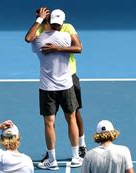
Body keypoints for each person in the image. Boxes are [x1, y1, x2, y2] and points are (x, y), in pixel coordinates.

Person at [25, 7, 87, 159]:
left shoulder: (68, 28)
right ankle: (53, 151)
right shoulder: (42, 29)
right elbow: (30, 38)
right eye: (53, 23)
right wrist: (39, 20)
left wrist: (56, 48)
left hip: (69, 75)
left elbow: (79, 48)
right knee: (61, 117)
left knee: (75, 113)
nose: (56, 26)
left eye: (58, 24)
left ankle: (82, 145)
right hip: (52, 79)